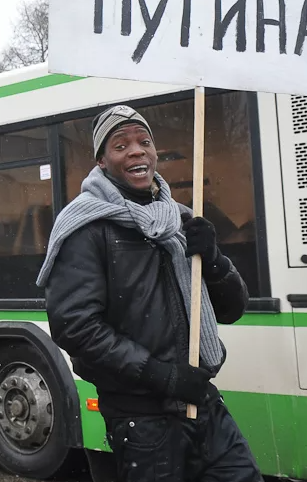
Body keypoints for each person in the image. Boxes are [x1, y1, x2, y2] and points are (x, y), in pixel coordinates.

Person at [36, 105, 260, 481]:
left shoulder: (182, 218)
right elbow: (74, 327)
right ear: (103, 162)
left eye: (144, 142)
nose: (137, 150)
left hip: (202, 402)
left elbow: (234, 308)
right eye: (121, 145)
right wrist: (163, 376)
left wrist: (215, 258)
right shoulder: (85, 227)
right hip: (141, 419)